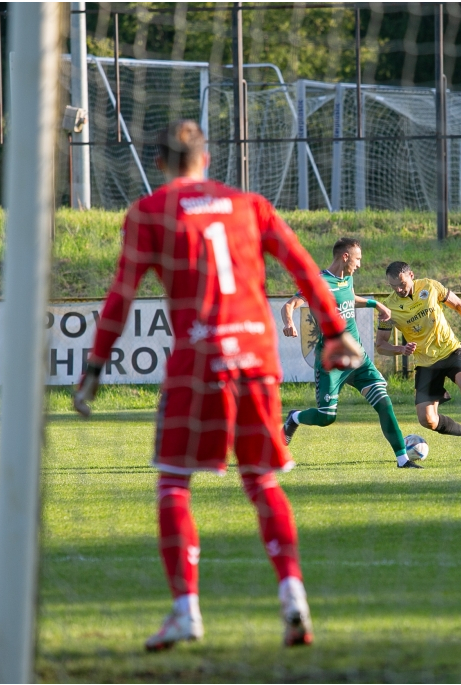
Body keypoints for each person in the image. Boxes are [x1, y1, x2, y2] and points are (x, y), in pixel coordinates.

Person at [72, 120, 363, 651]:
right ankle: (293, 598)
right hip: (255, 358)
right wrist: (338, 333)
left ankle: (186, 611)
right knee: (262, 483)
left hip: (198, 361)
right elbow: (303, 267)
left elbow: (121, 296)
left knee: (174, 485)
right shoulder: (250, 206)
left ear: (160, 164)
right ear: (206, 159)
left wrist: (94, 368)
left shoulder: (148, 213)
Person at [280, 238, 418, 469]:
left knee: (384, 402)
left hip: (358, 357)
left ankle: (402, 460)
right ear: (345, 257)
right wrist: (288, 323)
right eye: (358, 259)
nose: (360, 264)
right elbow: (290, 305)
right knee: (326, 417)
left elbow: (349, 298)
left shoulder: (348, 279)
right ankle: (294, 417)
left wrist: (376, 304)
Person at [375, 261, 461, 462]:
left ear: (411, 275)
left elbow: (459, 306)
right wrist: (401, 349)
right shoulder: (389, 308)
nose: (399, 290)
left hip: (450, 350)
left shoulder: (429, 286)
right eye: (393, 286)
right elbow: (380, 345)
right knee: (428, 420)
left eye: (401, 284)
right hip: (425, 362)